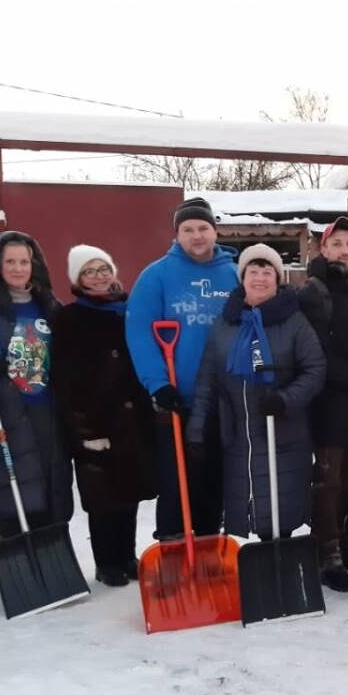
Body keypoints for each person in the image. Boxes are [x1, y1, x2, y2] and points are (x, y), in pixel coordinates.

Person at [186, 244, 326, 539]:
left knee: (280, 512)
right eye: (253, 271)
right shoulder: (226, 323)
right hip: (238, 436)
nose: (260, 278)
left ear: (277, 279)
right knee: (243, 509)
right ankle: (252, 566)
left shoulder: (294, 322)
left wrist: (285, 399)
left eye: (267, 272)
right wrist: (196, 430)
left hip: (283, 433)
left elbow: (315, 370)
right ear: (243, 277)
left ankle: (280, 563)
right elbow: (206, 381)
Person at [126, 198, 238, 540]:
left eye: (203, 228)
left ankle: (207, 542)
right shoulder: (156, 275)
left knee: (212, 479)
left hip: (221, 399)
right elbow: (139, 330)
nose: (197, 235)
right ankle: (173, 542)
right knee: (176, 480)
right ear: (177, 235)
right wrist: (157, 383)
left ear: (215, 231)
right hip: (177, 398)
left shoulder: (233, 274)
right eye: (188, 229)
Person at [0, 231, 74, 538]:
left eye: (24, 261)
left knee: (51, 489)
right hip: (4, 415)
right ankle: (20, 554)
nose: (18, 268)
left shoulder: (51, 308)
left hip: (47, 412)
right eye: (10, 261)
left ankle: (52, 554)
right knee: (13, 493)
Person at [54, 245, 157, 587]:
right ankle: (106, 561)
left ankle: (127, 555)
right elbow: (65, 380)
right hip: (95, 419)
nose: (98, 276)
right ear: (77, 280)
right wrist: (82, 426)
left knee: (128, 491)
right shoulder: (68, 319)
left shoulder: (129, 311)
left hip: (132, 417)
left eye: (103, 269)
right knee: (102, 494)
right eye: (89, 271)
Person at [298, 216, 348, 592]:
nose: (344, 250)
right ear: (323, 249)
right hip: (327, 401)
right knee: (328, 480)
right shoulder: (314, 292)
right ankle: (326, 553)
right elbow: (316, 356)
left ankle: (345, 541)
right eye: (337, 243)